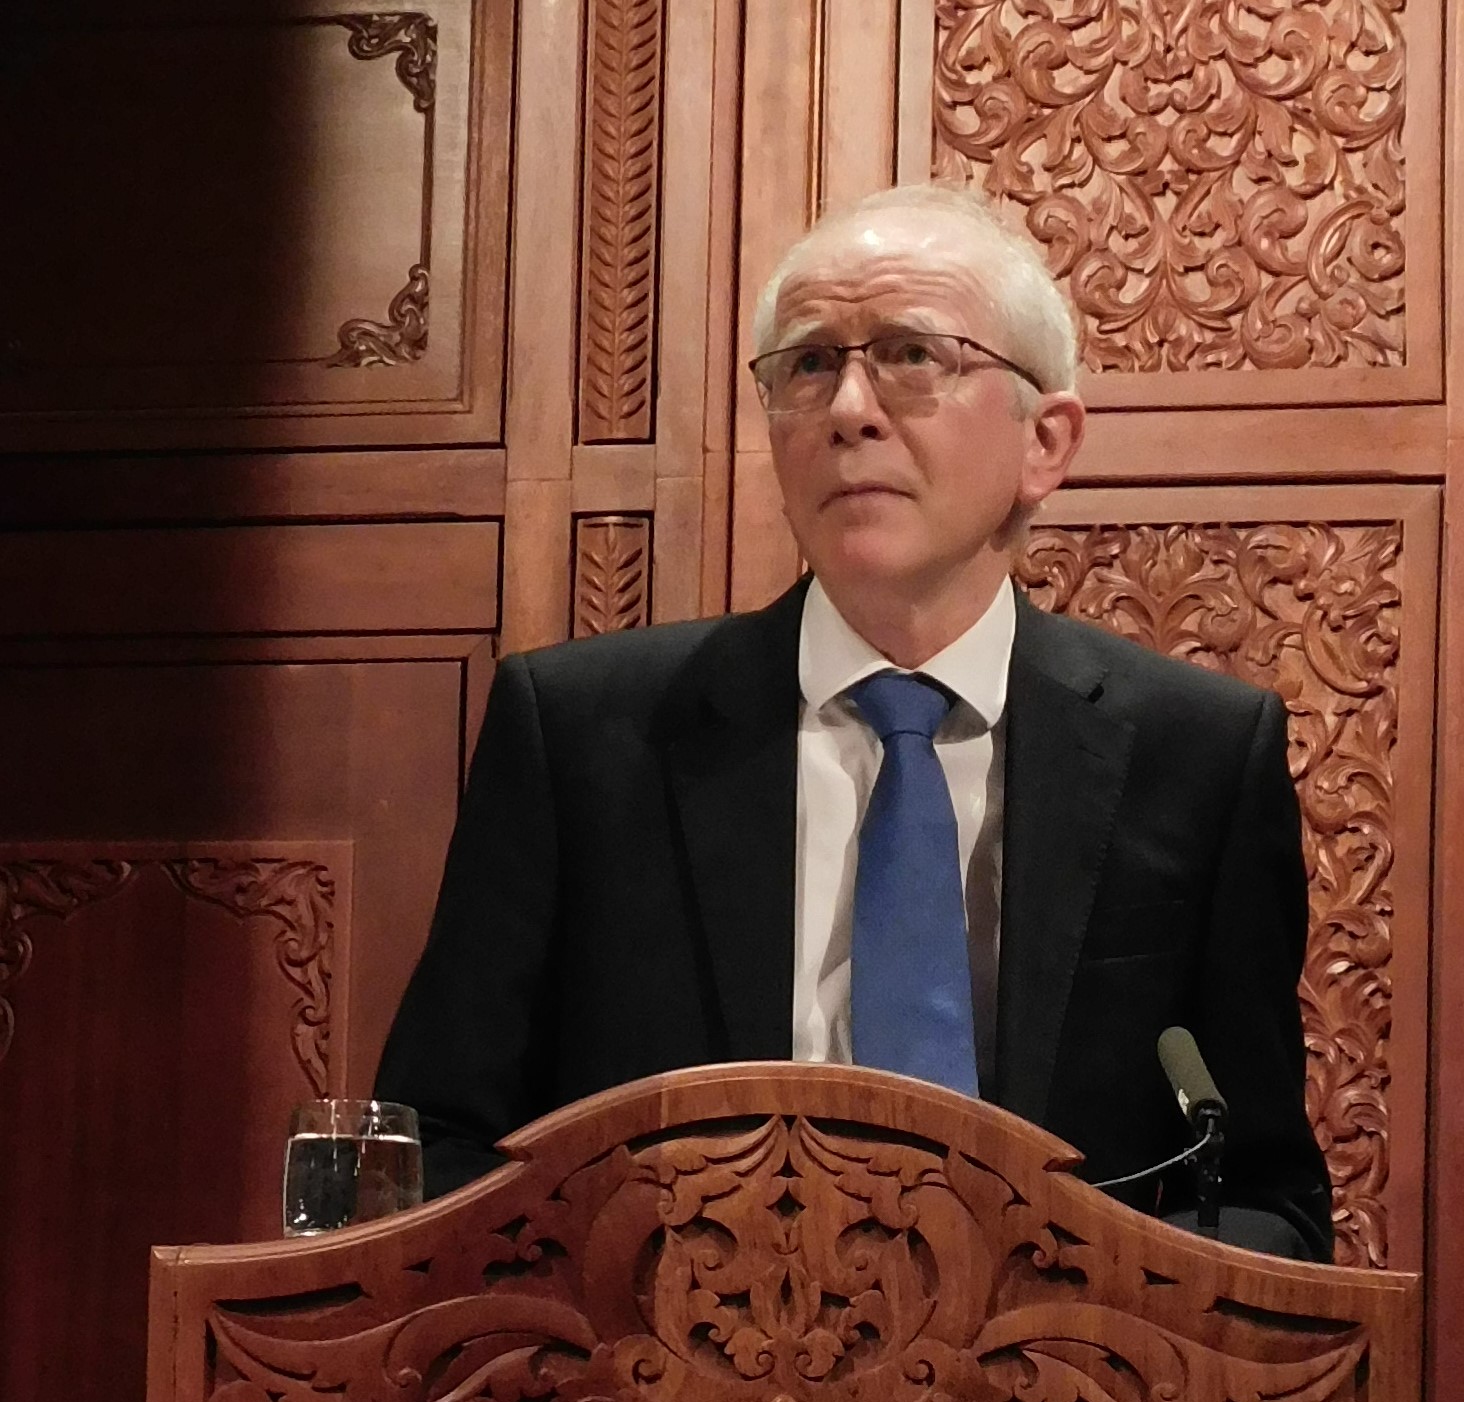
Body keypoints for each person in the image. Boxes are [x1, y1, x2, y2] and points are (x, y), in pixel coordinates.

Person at [376, 184, 1334, 1262]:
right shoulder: (583, 734)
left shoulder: (1196, 755)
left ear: (1044, 442)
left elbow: (1261, 1199)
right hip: (654, 1394)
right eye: (807, 365)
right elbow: (431, 1150)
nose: (848, 408)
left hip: (1056, 1401)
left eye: (912, 357)